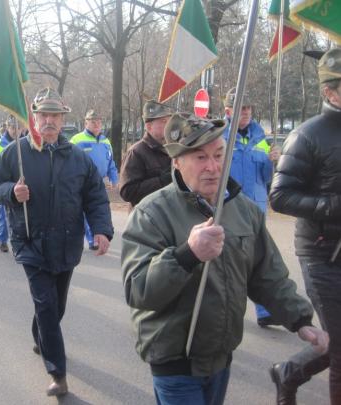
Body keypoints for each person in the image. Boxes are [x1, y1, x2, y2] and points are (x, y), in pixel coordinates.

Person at [121, 113, 328, 405]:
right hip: (175, 362)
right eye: (200, 157)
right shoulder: (150, 214)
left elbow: (266, 275)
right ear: (177, 163)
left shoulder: (245, 211)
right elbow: (139, 290)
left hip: (221, 356)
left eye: (219, 154)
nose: (213, 167)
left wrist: (299, 319)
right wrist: (186, 255)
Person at [0, 87, 113, 397]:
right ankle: (58, 372)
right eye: (44, 115)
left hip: (67, 245)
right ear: (34, 118)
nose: (49, 121)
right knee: (46, 305)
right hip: (31, 243)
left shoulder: (78, 158)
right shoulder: (17, 153)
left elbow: (95, 196)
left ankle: (41, 337)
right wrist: (11, 194)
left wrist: (102, 230)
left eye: (55, 116)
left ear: (63, 119)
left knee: (56, 307)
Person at [269, 48, 341, 405]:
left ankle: (288, 372)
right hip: (322, 254)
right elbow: (280, 196)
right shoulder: (308, 135)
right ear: (330, 91)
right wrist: (330, 206)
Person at [223, 87, 281, 327]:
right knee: (229, 261)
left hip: (256, 208)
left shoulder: (261, 137)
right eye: (239, 108)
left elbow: (266, 177)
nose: (244, 112)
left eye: (247, 108)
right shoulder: (220, 136)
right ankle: (225, 312)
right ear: (228, 110)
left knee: (258, 258)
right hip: (229, 206)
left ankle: (265, 310)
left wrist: (272, 161)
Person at [70, 110, 118, 250]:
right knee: (85, 210)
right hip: (82, 182)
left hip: (100, 182)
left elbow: (111, 162)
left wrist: (114, 179)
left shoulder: (105, 141)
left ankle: (96, 236)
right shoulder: (76, 140)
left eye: (98, 121)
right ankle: (91, 239)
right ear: (86, 123)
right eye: (93, 121)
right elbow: (69, 163)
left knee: (98, 208)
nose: (96, 124)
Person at [119, 100, 174, 207]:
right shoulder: (136, 152)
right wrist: (162, 181)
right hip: (145, 219)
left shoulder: (174, 149)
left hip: (170, 216)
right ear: (149, 127)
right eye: (163, 121)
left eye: (169, 120)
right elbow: (127, 192)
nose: (169, 125)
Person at [0, 115, 23, 253]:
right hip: (4, 186)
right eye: (13, 127)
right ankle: (2, 240)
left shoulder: (25, 143)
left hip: (20, 184)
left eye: (18, 127)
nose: (16, 130)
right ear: (7, 127)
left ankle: (19, 242)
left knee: (21, 217)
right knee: (4, 214)